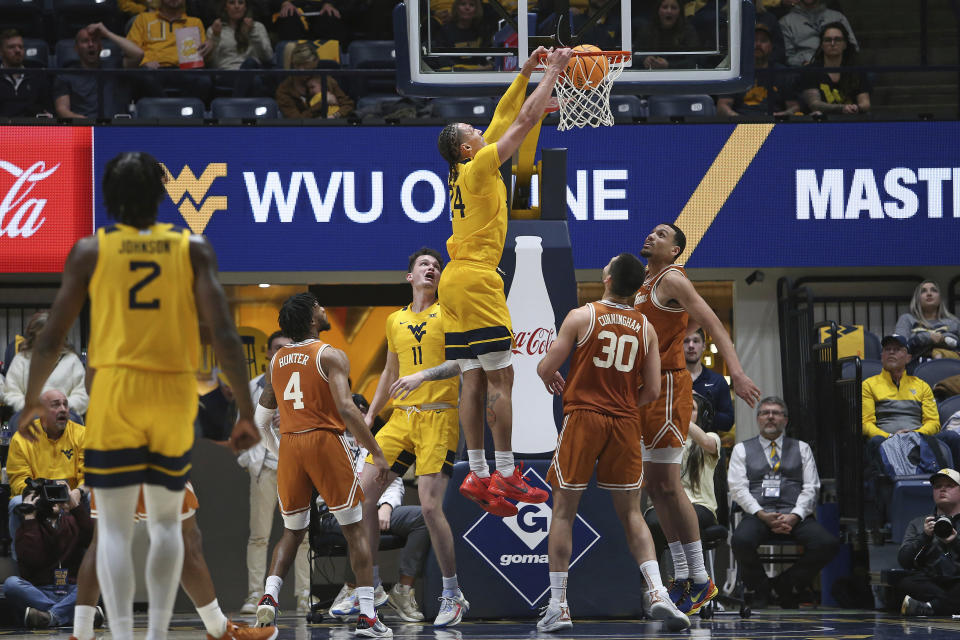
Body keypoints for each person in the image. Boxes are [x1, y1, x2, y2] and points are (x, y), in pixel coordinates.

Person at [16, 151, 260, 640]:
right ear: (161, 195)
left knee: (115, 531)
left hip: (116, 390)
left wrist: (28, 401)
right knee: (170, 525)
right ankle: (156, 635)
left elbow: (50, 337)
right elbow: (227, 337)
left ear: (109, 198)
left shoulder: (90, 250)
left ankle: (123, 635)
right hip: (171, 390)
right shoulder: (191, 247)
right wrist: (246, 414)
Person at [435, 45, 572, 517]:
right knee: (503, 379)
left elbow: (504, 112)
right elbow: (522, 122)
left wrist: (528, 70)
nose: (480, 129)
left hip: (453, 284)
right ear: (467, 148)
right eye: (473, 132)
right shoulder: (479, 169)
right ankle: (509, 473)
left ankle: (476, 470)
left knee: (471, 379)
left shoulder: (463, 171)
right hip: (475, 279)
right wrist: (552, 74)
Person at [535, 253, 689, 631]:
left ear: (607, 278)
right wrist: (622, 405)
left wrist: (550, 378)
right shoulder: (647, 328)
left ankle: (559, 606)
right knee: (632, 514)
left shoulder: (582, 315)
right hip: (624, 422)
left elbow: (545, 367)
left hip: (584, 417)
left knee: (563, 512)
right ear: (637, 288)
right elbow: (652, 389)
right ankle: (657, 591)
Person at [635, 222, 761, 614]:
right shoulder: (645, 282)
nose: (651, 236)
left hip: (670, 386)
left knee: (670, 486)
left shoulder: (672, 278)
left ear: (674, 251)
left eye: (661, 235)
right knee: (656, 489)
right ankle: (685, 576)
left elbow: (709, 321)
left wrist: (736, 372)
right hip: (648, 386)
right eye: (651, 232)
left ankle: (702, 581)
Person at [253, 293, 392, 638]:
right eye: (318, 305)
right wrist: (376, 451)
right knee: (355, 530)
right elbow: (346, 409)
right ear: (312, 319)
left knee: (291, 532)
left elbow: (260, 420)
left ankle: (269, 594)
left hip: (292, 446)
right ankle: (368, 617)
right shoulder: (330, 355)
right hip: (324, 442)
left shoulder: (277, 360)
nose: (324, 308)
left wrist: (283, 449)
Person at [358, 248, 467, 627]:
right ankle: (370, 587)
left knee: (431, 508)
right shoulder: (394, 320)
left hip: (439, 416)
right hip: (401, 419)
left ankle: (453, 594)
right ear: (410, 276)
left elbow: (460, 362)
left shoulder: (448, 313)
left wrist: (423, 376)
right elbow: (389, 372)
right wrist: (371, 415)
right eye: (424, 264)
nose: (432, 269)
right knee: (362, 494)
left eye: (436, 266)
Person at [72, 483, 277, 640]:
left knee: (104, 540)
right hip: (155, 439)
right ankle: (216, 629)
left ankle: (81, 633)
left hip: (110, 440)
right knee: (184, 536)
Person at [728, 396, 839, 609]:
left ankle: (785, 584)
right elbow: (738, 488)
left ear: (785, 420)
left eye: (776, 413)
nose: (770, 417)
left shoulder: (802, 448)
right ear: (758, 419)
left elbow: (811, 487)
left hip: (794, 514)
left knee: (828, 544)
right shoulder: (741, 449)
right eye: (765, 413)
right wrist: (761, 514)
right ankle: (760, 589)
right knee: (740, 541)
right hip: (758, 514)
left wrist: (795, 515)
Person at [239, 330, 312, 615]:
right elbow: (242, 427)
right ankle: (255, 594)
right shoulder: (252, 386)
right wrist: (250, 460)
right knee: (259, 535)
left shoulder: (304, 379)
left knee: (302, 535)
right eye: (277, 348)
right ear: (268, 353)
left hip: (296, 465)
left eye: (287, 347)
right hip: (265, 469)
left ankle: (305, 595)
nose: (282, 352)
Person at [326, 430, 429, 624]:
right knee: (357, 516)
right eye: (356, 414)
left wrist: (387, 506)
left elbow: (394, 481)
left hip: (378, 509)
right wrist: (369, 507)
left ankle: (403, 590)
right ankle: (354, 587)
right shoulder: (332, 444)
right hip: (338, 511)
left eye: (364, 412)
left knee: (423, 517)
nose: (361, 419)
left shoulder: (376, 445)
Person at [862, 334, 946, 533]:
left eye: (897, 349)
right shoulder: (869, 385)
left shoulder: (921, 386)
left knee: (951, 438)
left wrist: (914, 433)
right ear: (881, 356)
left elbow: (934, 423)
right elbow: (866, 423)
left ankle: (950, 508)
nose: (891, 352)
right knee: (873, 442)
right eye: (887, 349)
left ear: (908, 358)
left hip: (918, 437)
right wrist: (890, 437)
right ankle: (882, 518)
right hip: (885, 439)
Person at [2, 478, 94, 629]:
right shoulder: (27, 527)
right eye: (44, 496)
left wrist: (75, 506)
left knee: (98, 577)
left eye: (54, 494)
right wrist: (30, 518)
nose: (51, 500)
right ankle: (71, 615)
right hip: (39, 591)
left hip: (70, 589)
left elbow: (91, 541)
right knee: (11, 584)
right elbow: (33, 560)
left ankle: (49, 616)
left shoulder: (71, 520)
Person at [7, 390, 87, 559]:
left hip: (72, 496)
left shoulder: (82, 434)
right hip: (37, 496)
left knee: (94, 497)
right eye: (56, 405)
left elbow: (89, 474)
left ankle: (90, 563)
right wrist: (44, 497)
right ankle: (21, 566)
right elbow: (18, 480)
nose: (64, 409)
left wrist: (77, 493)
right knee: (16, 503)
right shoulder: (22, 437)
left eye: (65, 404)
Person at [645, 394, 722, 566]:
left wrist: (679, 417)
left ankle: (694, 580)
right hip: (661, 505)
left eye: (691, 408)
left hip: (700, 505)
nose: (685, 411)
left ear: (701, 414)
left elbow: (707, 443)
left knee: (687, 520)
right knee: (652, 522)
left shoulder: (710, 437)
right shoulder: (658, 439)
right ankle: (650, 584)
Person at [125, 0, 214, 102]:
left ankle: (179, 111)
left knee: (204, 80)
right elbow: (131, 49)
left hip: (185, 71)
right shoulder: (143, 19)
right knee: (144, 78)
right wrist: (144, 62)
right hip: (154, 71)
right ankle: (169, 111)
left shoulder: (195, 22)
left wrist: (210, 46)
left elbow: (202, 58)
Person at [899, 468, 960, 616]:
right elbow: (904, 561)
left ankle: (929, 607)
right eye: (938, 486)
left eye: (949, 486)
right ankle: (948, 606)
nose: (942, 489)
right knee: (904, 582)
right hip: (929, 582)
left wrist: (955, 543)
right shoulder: (919, 523)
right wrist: (924, 537)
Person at [4, 312, 88, 416]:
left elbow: (83, 394)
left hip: (66, 415)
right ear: (33, 337)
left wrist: (61, 407)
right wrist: (31, 408)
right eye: (42, 336)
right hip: (30, 414)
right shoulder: (21, 359)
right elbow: (11, 393)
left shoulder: (72, 360)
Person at [53, 23, 140, 119]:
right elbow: (62, 109)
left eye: (94, 41)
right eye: (85, 41)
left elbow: (138, 54)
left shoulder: (115, 67)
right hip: (82, 127)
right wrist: (85, 122)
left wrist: (107, 33)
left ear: (101, 47)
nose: (91, 44)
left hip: (115, 127)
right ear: (76, 49)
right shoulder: (66, 75)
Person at [717, 23, 799, 117]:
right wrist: (738, 118)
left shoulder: (783, 73)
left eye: (763, 41)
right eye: (754, 40)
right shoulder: (735, 72)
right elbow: (723, 106)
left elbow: (794, 107)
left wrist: (782, 115)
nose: (758, 44)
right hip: (740, 124)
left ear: (771, 47)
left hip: (774, 123)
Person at [798, 22, 870, 116]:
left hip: (850, 121)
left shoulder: (855, 70)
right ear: (822, 45)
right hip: (821, 123)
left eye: (838, 40)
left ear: (845, 44)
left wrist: (857, 107)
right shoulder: (810, 71)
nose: (832, 44)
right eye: (828, 40)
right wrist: (842, 108)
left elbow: (865, 103)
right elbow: (814, 104)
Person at [205, 0, 272, 97]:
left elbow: (268, 57)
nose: (237, 6)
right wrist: (215, 37)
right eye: (232, 3)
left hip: (254, 73)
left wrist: (252, 33)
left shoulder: (257, 27)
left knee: (250, 64)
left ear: (245, 7)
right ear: (225, 7)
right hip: (226, 74)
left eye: (240, 3)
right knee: (255, 81)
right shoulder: (214, 29)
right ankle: (238, 103)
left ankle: (235, 103)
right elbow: (213, 64)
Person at [275, 42, 355, 119]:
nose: (301, 69)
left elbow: (348, 105)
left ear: (315, 62)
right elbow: (296, 121)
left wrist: (335, 116)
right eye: (297, 64)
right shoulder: (284, 90)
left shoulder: (326, 80)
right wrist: (322, 103)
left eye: (305, 64)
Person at [683, 329, 734, 437]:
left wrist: (705, 410)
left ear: (703, 346)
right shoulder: (670, 379)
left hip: (709, 446)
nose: (691, 345)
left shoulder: (717, 381)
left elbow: (728, 423)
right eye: (686, 341)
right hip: (676, 447)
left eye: (696, 341)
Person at [780, 0, 857, 67]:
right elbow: (787, 57)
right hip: (804, 72)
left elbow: (853, 48)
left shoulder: (838, 17)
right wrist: (803, 63)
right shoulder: (786, 22)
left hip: (838, 70)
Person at [895, 281, 960, 361]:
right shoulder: (907, 319)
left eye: (934, 290)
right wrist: (928, 338)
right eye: (923, 291)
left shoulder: (953, 322)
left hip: (949, 368)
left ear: (940, 298)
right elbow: (899, 348)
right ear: (917, 299)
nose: (929, 294)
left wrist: (943, 339)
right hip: (915, 368)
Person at [635, 0, 700, 70]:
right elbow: (633, 56)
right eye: (665, 7)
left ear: (679, 12)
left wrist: (669, 65)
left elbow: (695, 61)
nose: (669, 11)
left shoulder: (688, 31)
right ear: (658, 11)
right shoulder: (646, 30)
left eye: (674, 8)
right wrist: (644, 60)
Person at [0, 28, 49, 117]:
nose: (18, 50)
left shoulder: (37, 76)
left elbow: (47, 109)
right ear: (1, 52)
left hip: (30, 128)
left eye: (21, 47)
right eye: (11, 47)